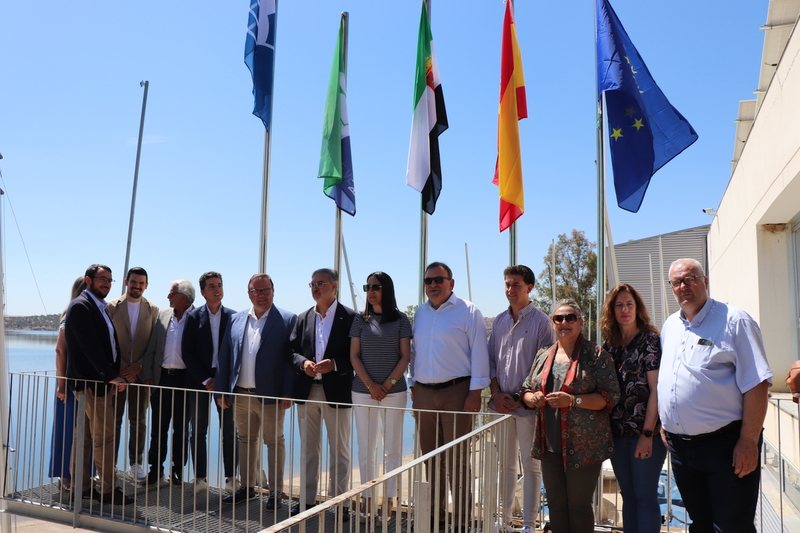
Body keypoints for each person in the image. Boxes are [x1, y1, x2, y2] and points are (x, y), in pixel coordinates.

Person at [658, 258, 773, 533]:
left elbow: (757, 384)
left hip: (725, 446)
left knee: (732, 526)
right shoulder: (670, 326)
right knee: (700, 524)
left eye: (690, 279)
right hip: (681, 449)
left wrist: (748, 440)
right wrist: (666, 422)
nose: (684, 286)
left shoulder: (735, 321)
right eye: (677, 282)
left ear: (705, 281)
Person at [520, 299, 620, 533]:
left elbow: (611, 396)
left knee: (578, 506)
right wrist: (531, 398)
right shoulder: (544, 354)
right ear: (553, 323)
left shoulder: (596, 355)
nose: (564, 322)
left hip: (584, 444)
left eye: (570, 318)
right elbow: (525, 387)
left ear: (580, 322)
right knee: (555, 505)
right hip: (549, 444)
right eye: (559, 318)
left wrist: (573, 401)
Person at [409, 261, 490, 530]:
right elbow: (415, 352)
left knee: (457, 459)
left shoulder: (468, 311)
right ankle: (437, 515)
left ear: (451, 283)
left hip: (457, 392)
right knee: (430, 457)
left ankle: (463, 519)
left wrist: (475, 393)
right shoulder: (420, 313)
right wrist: (412, 385)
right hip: (423, 393)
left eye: (438, 280)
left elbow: (479, 352)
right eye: (428, 281)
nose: (433, 285)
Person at [215, 273, 297, 510]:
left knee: (274, 442)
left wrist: (287, 393)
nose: (261, 295)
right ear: (248, 293)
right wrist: (221, 391)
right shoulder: (236, 319)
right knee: (246, 440)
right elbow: (224, 356)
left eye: (265, 290)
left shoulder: (287, 319)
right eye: (256, 291)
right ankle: (247, 488)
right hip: (240, 394)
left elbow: (291, 361)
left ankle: (275, 492)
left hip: (271, 396)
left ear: (273, 290)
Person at [487, 265, 554, 533]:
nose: (510, 289)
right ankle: (503, 522)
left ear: (529, 287)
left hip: (528, 408)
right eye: (507, 284)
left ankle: (528, 524)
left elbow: (545, 366)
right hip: (499, 406)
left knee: (531, 467)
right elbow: (491, 362)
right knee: (506, 466)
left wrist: (519, 396)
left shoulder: (542, 322)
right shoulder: (499, 321)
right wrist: (495, 394)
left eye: (515, 284)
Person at [289, 268, 356, 518]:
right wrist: (303, 363)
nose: (315, 288)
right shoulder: (303, 317)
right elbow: (292, 351)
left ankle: (340, 504)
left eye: (320, 283)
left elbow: (357, 355)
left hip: (337, 391)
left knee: (340, 450)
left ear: (334, 286)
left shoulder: (350, 317)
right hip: (307, 392)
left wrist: (335, 364)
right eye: (312, 284)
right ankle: (307, 501)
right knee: (308, 449)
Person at [64, 264, 133, 505]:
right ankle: (106, 491)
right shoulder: (82, 306)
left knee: (84, 437)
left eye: (110, 280)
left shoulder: (98, 306)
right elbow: (88, 345)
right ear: (88, 280)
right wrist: (109, 375)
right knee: (105, 437)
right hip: (93, 384)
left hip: (96, 383)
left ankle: (81, 488)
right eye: (102, 279)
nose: (106, 283)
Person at [600, 284, 665, 533]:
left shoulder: (650, 341)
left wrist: (647, 435)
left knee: (645, 496)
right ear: (612, 311)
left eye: (629, 304)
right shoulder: (610, 345)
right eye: (619, 305)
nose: (625, 309)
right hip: (618, 434)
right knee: (627, 495)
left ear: (637, 308)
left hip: (645, 434)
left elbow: (656, 390)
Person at [349, 271, 411, 521]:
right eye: (368, 287)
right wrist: (371, 385)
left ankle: (389, 501)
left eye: (376, 286)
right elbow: (354, 355)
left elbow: (405, 356)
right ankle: (366, 499)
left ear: (387, 289)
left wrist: (387, 384)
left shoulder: (401, 320)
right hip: (363, 393)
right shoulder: (359, 320)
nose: (371, 291)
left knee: (393, 449)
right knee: (366, 448)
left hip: (394, 393)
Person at [182, 271, 237, 496]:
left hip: (224, 382)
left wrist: (222, 381)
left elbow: (236, 353)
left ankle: (231, 479)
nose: (217, 289)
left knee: (229, 431)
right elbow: (187, 352)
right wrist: (206, 380)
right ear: (203, 292)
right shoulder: (193, 317)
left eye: (220, 285)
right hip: (199, 381)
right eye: (212, 286)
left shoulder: (234, 317)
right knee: (198, 431)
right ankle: (201, 479)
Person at [107, 267, 159, 483]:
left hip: (140, 375)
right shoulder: (111, 307)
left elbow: (154, 344)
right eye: (134, 282)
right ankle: (109, 465)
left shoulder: (154, 310)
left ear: (146, 285)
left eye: (142, 283)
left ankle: (136, 463)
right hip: (116, 375)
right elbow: (107, 340)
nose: (137, 286)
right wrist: (120, 369)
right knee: (113, 420)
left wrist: (138, 367)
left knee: (138, 420)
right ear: (127, 282)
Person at [143, 279, 195, 486]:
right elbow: (152, 349)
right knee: (158, 428)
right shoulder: (163, 316)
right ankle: (155, 470)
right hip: (161, 379)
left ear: (183, 297)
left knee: (182, 430)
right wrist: (148, 376)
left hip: (185, 381)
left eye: (172, 293)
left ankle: (177, 472)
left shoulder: (198, 317)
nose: (168, 297)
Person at [49, 276, 86, 491]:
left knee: (84, 431)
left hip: (82, 382)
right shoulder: (70, 314)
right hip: (71, 385)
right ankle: (66, 476)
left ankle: (82, 474)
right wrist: (61, 382)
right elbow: (60, 350)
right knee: (68, 429)